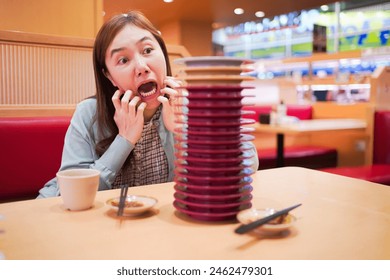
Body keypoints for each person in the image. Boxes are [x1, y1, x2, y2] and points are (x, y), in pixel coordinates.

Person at [38, 10, 259, 198]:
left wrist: (187, 130)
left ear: (163, 54)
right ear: (110, 76)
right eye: (123, 60)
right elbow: (68, 195)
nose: (142, 66)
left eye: (147, 50)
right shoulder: (88, 114)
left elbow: (248, 162)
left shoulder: (191, 104)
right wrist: (124, 140)